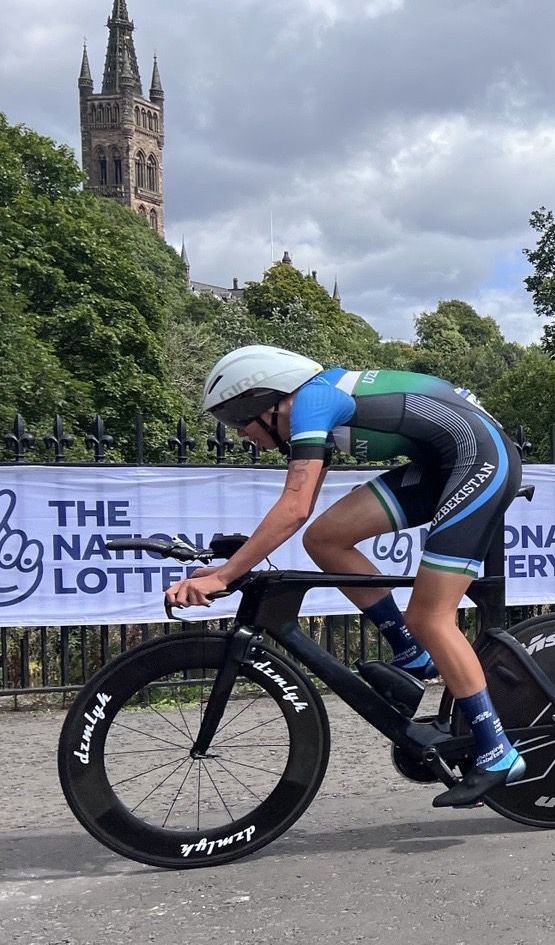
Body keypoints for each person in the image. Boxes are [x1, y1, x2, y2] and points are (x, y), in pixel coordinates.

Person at [165, 345, 526, 807]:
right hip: (440, 465)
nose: (242, 436)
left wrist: (225, 576)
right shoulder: (313, 407)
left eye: (240, 423)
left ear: (263, 402)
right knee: (326, 539)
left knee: (431, 616)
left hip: (481, 460)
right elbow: (305, 509)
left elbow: (292, 507)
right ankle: (412, 655)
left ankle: (496, 751)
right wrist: (229, 569)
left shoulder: (312, 401)